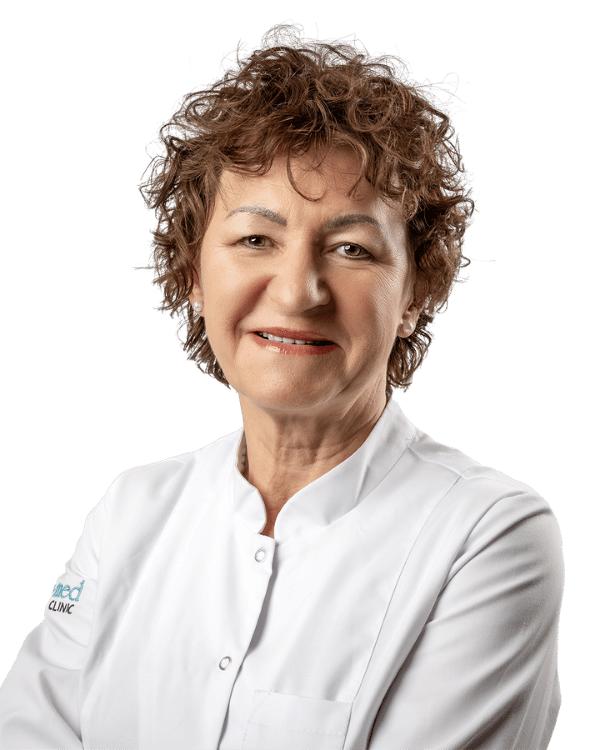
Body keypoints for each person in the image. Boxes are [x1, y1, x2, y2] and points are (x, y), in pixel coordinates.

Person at [0, 24, 564, 750]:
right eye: (255, 240)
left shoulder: (487, 536)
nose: (298, 291)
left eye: (351, 248)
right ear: (192, 274)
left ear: (417, 290)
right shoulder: (132, 512)